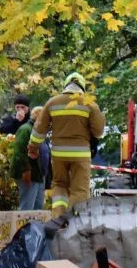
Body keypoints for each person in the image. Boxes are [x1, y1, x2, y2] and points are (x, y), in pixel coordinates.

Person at [29, 72, 105, 217]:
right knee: (79, 190)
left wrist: (33, 147)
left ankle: (58, 219)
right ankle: (75, 222)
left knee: (59, 185)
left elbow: (39, 129)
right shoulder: (89, 103)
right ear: (82, 86)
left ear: (66, 85)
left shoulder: (52, 102)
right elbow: (99, 132)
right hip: (80, 155)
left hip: (59, 154)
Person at [10, 106, 46, 210]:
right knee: (27, 209)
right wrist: (25, 171)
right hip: (29, 175)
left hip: (38, 175)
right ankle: (24, 227)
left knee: (38, 209)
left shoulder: (39, 131)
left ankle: (36, 227)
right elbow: (19, 153)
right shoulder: (26, 129)